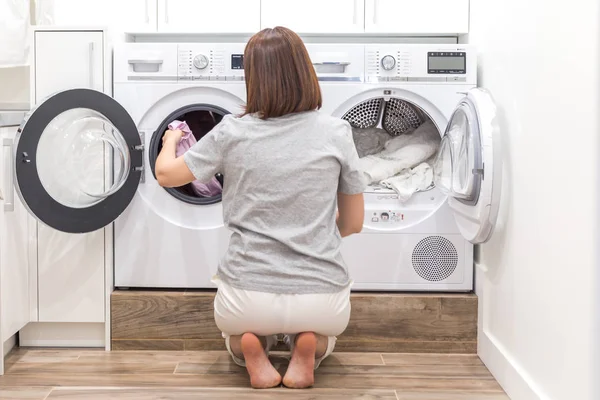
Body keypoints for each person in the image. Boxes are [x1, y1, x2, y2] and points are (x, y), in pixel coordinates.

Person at [155, 26, 366, 389]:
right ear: (305, 72)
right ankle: (309, 346)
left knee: (239, 335)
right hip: (322, 298)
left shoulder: (230, 131)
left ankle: (249, 348)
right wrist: (317, 227)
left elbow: (165, 175)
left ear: (252, 77)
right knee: (320, 330)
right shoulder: (337, 132)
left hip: (246, 297)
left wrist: (171, 138)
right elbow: (354, 223)